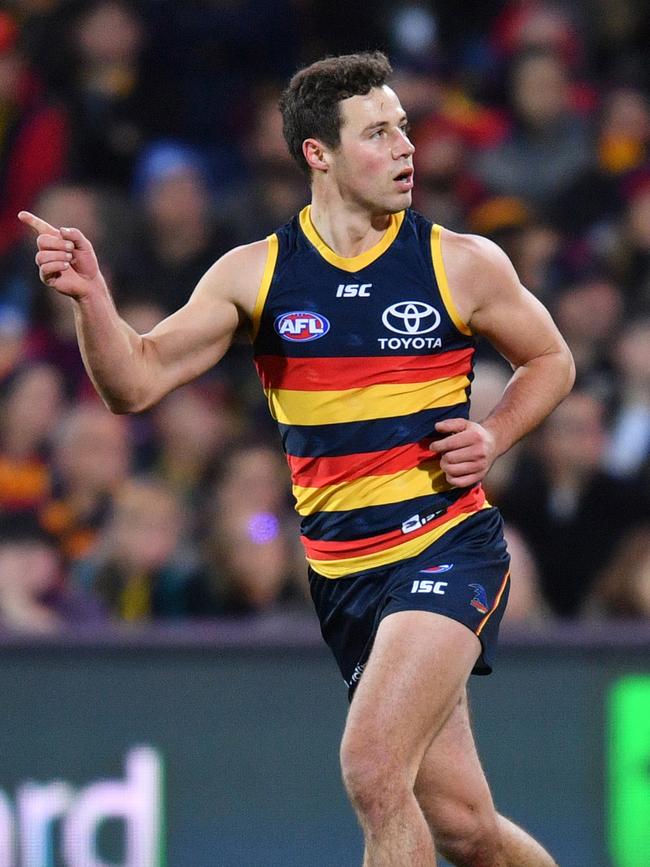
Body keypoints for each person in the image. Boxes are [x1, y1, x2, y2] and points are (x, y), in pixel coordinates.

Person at [19, 51, 575, 867]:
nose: (405, 148)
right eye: (378, 133)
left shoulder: (461, 261)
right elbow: (133, 382)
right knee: (463, 827)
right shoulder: (259, 274)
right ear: (318, 153)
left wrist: (493, 433)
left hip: (445, 547)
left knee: (373, 767)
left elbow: (551, 359)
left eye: (404, 129)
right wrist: (94, 302)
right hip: (345, 577)